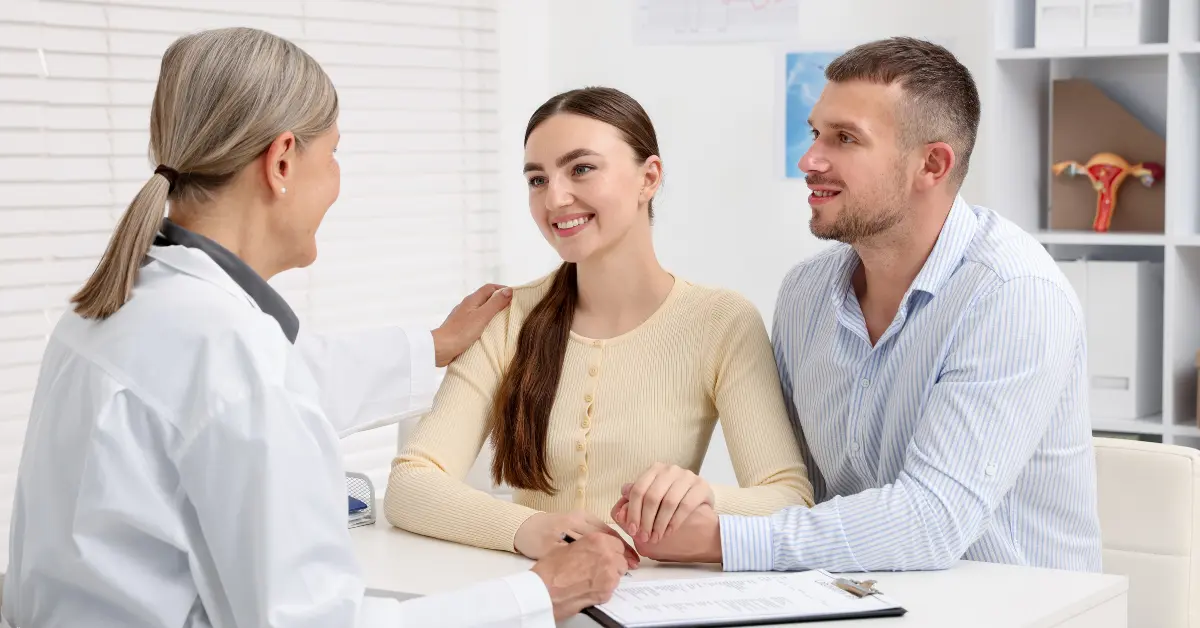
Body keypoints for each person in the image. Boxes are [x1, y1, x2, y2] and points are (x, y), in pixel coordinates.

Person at [1, 27, 631, 628]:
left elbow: (243, 397)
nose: (336, 183)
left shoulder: (120, 309)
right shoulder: (232, 357)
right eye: (332, 156)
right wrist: (538, 597)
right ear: (281, 161)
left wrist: (431, 347)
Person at [613, 37, 1104, 574]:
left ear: (932, 165)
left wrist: (721, 540)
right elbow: (797, 494)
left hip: (1017, 609)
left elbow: (931, 521)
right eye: (816, 133)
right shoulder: (805, 294)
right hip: (861, 597)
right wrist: (695, 504)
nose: (809, 160)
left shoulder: (1013, 294)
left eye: (845, 139)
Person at [384, 86, 814, 562]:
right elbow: (410, 483)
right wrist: (528, 528)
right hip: (534, 598)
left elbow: (788, 497)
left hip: (656, 601)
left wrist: (699, 496)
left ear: (649, 178)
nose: (555, 198)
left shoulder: (722, 321)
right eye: (537, 180)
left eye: (581, 169)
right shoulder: (506, 319)